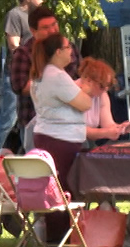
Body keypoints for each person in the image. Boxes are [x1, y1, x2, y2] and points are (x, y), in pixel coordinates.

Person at [29, 32, 101, 182]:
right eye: (68, 47)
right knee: (65, 186)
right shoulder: (57, 76)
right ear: (58, 52)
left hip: (49, 135)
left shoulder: (43, 74)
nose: (71, 51)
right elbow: (85, 104)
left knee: (55, 185)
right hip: (61, 140)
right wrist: (86, 90)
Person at [0, 0, 40, 159]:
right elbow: (14, 45)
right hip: (15, 74)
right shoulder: (15, 15)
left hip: (33, 74)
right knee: (8, 120)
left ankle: (29, 156)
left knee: (30, 119)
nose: (41, 1)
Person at [7, 6, 60, 141]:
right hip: (35, 124)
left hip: (68, 122)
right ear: (33, 31)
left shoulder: (68, 48)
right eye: (46, 28)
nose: (52, 31)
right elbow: (21, 88)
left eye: (54, 25)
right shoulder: (23, 53)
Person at [77, 57, 130, 144]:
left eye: (109, 85)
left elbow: (108, 123)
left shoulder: (102, 95)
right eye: (102, 86)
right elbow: (79, 130)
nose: (106, 89)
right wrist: (106, 133)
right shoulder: (72, 92)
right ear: (88, 80)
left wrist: (120, 128)